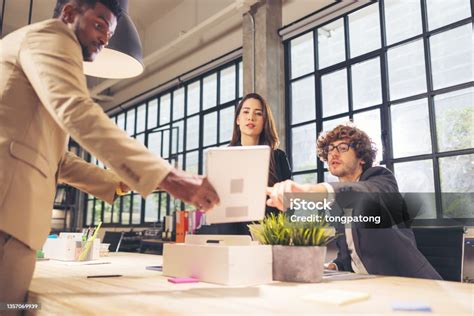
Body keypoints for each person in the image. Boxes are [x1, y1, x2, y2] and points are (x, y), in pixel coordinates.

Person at [0, 0, 219, 307]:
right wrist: (168, 177)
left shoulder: (35, 50)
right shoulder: (52, 36)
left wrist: (115, 182)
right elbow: (76, 110)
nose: (104, 39)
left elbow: (58, 160)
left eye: (110, 33)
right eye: (99, 25)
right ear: (69, 13)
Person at [266, 124, 441, 279]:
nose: (333, 153)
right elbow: (349, 258)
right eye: (330, 149)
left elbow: (364, 194)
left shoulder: (381, 179)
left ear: (362, 158)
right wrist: (332, 266)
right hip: (370, 288)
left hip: (411, 284)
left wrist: (310, 191)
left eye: (342, 147)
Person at [197, 93, 292, 235]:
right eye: (246, 112)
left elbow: (289, 203)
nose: (251, 117)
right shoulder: (223, 157)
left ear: (264, 120)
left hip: (268, 236)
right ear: (238, 119)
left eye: (258, 113)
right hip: (231, 235)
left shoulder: (278, 157)